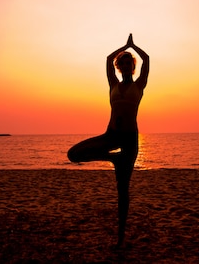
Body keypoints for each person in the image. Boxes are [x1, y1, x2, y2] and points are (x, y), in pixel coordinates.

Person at [67, 33, 149, 247]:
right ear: (118, 66)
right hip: (111, 135)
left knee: (123, 189)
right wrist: (123, 46)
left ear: (132, 66)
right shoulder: (112, 83)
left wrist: (133, 47)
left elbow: (147, 60)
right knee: (73, 154)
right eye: (120, 62)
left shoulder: (139, 85)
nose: (122, 64)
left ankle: (120, 239)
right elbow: (107, 60)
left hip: (130, 139)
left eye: (126, 62)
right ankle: (112, 159)